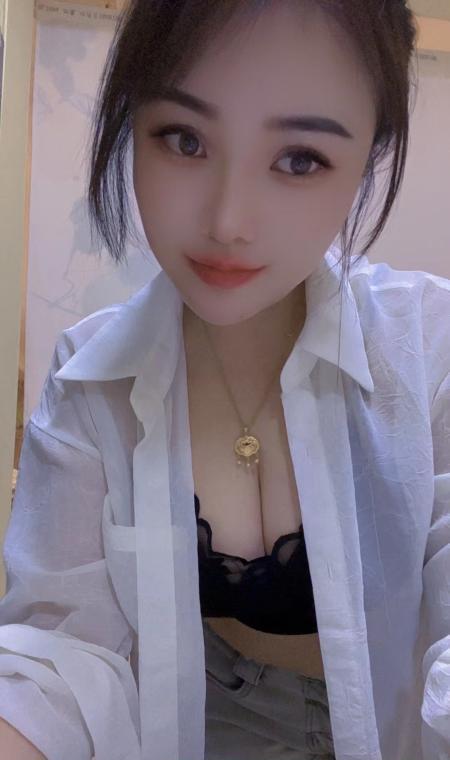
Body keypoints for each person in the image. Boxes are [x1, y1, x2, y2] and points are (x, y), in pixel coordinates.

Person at [0, 1, 449, 758]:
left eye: (299, 159)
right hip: (205, 715)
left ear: (370, 155)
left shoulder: (430, 349)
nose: (228, 220)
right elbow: (61, 658)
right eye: (185, 139)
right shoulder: (91, 377)